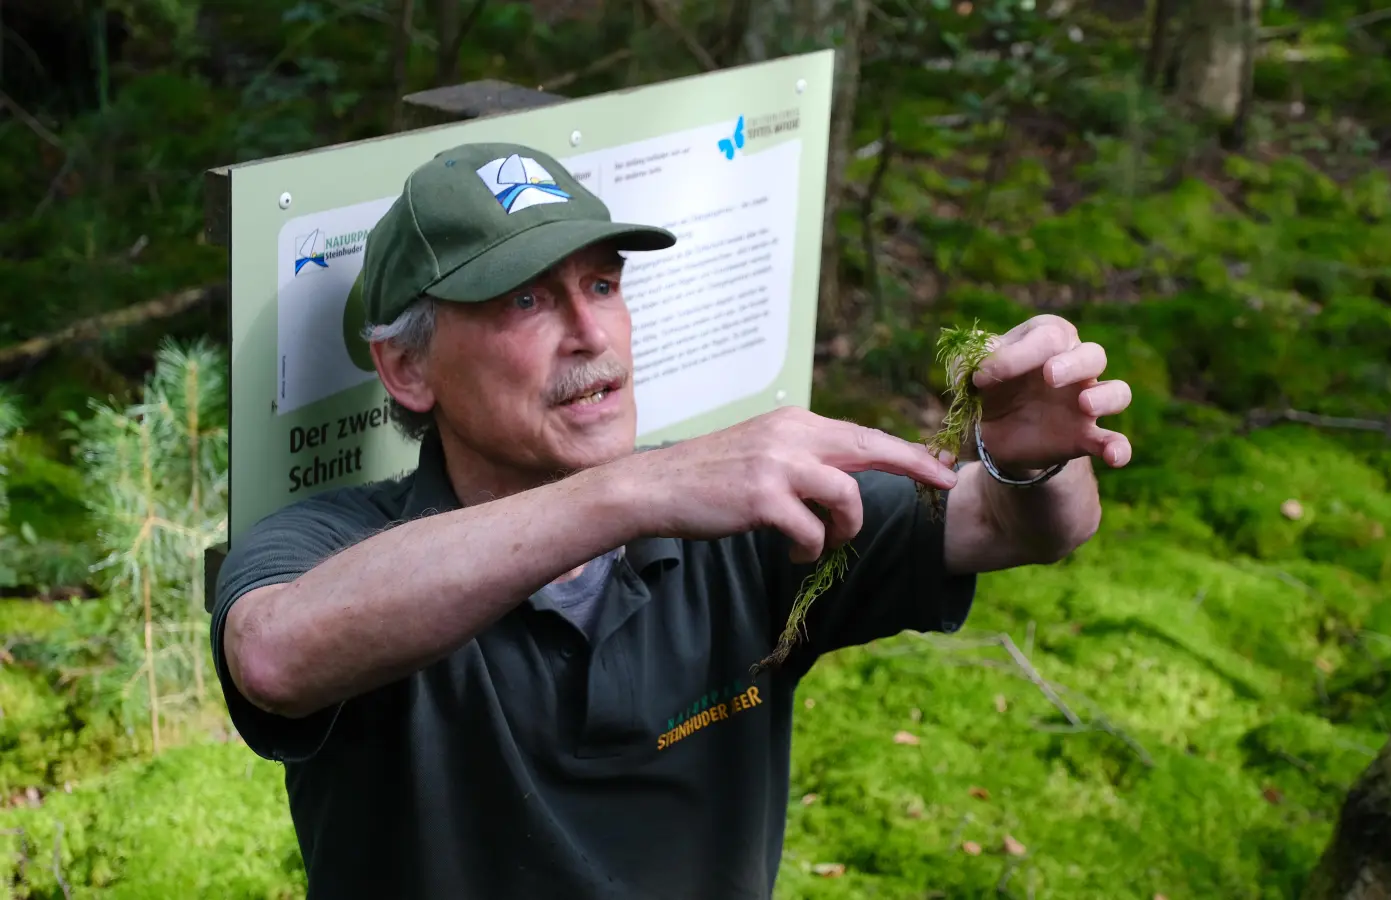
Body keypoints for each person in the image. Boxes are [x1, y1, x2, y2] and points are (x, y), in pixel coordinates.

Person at [210, 141, 1133, 899]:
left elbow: (1026, 529)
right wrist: (629, 495)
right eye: (526, 299)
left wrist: (1032, 456)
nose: (591, 333)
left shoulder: (741, 517)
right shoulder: (338, 545)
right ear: (408, 370)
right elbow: (274, 657)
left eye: (603, 285)